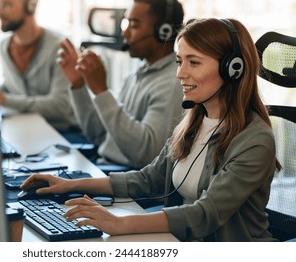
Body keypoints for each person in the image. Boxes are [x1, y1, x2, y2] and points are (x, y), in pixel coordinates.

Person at [21, 18, 282, 242]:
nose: (180, 73)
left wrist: (119, 224)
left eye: (194, 62)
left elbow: (205, 214)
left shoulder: (255, 140)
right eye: (179, 61)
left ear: (232, 69)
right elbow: (148, 180)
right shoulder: (194, 121)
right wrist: (69, 185)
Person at [57, 0, 184, 171]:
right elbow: (100, 135)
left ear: (164, 31)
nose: (124, 32)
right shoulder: (137, 75)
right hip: (104, 167)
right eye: (126, 23)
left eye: (134, 24)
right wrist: (79, 85)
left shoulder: (172, 83)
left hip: (124, 178)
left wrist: (101, 91)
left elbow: (147, 154)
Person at [0, 0, 77, 132]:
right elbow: (13, 87)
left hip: (63, 134)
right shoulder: (4, 46)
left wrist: (4, 99)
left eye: (6, 5)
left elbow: (60, 106)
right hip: (26, 129)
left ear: (31, 6)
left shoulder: (59, 47)